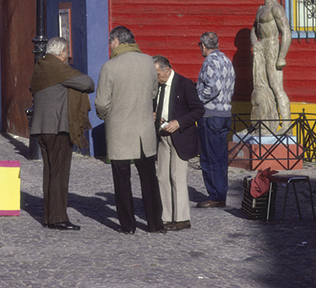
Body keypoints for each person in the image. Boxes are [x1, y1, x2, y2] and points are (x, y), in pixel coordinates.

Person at [95, 26, 164, 234]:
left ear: (116, 41)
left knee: (122, 181)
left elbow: (101, 103)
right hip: (144, 130)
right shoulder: (148, 62)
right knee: (149, 180)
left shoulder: (110, 66)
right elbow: (153, 92)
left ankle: (128, 226)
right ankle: (154, 223)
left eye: (110, 43)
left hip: (120, 130)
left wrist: (107, 115)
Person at [30, 36, 95, 231]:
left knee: (50, 173)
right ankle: (58, 218)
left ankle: (50, 216)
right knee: (59, 174)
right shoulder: (57, 68)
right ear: (60, 53)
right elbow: (88, 83)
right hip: (57, 127)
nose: (68, 56)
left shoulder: (40, 67)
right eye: (66, 52)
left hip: (42, 127)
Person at [152, 55, 204, 231]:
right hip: (163, 136)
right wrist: (153, 114)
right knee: (162, 177)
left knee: (177, 177)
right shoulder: (156, 86)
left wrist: (179, 122)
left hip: (181, 137)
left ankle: (182, 218)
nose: (156, 78)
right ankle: (166, 216)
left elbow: (199, 110)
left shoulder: (184, 84)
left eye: (158, 74)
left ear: (167, 70)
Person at [195, 31, 235, 208]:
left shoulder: (210, 61)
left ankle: (215, 195)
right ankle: (220, 192)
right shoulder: (226, 60)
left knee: (210, 157)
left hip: (211, 115)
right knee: (220, 157)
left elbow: (213, 88)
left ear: (203, 46)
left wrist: (197, 99)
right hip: (225, 113)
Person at [250, 0, 292, 134]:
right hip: (261, 48)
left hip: (273, 47)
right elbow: (254, 29)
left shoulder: (276, 8)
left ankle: (286, 124)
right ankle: (264, 124)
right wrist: (254, 42)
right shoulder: (261, 9)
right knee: (261, 87)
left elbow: (286, 32)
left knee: (276, 86)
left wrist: (282, 56)